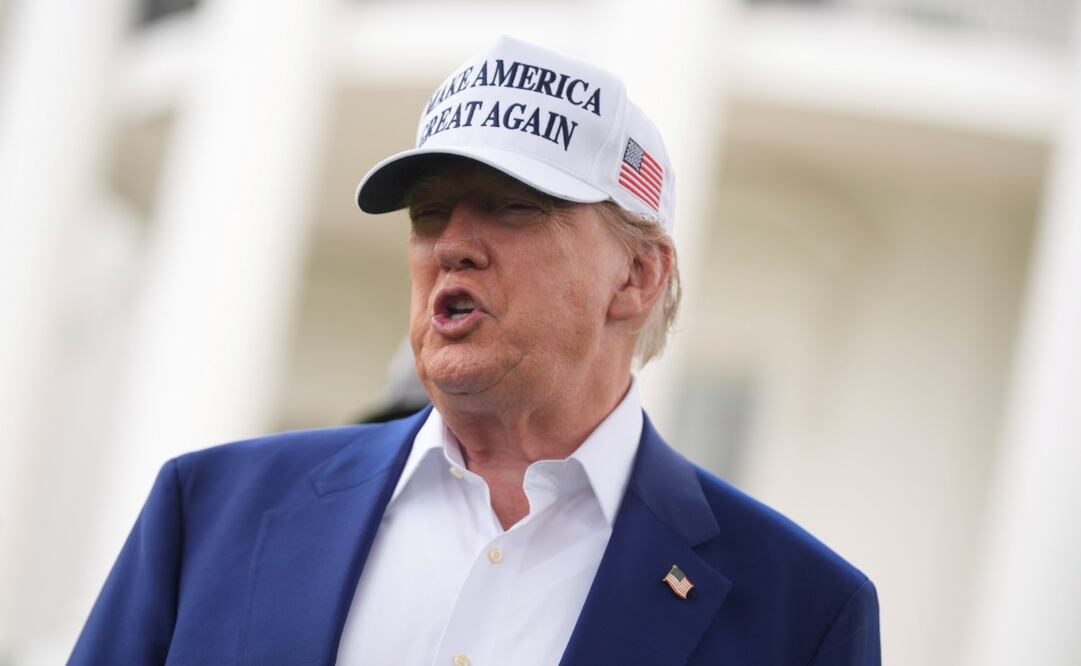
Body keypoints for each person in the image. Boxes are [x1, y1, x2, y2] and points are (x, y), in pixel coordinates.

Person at [71, 36, 880, 665]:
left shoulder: (800, 611)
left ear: (635, 275)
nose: (451, 244)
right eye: (428, 213)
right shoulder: (209, 513)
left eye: (509, 207)